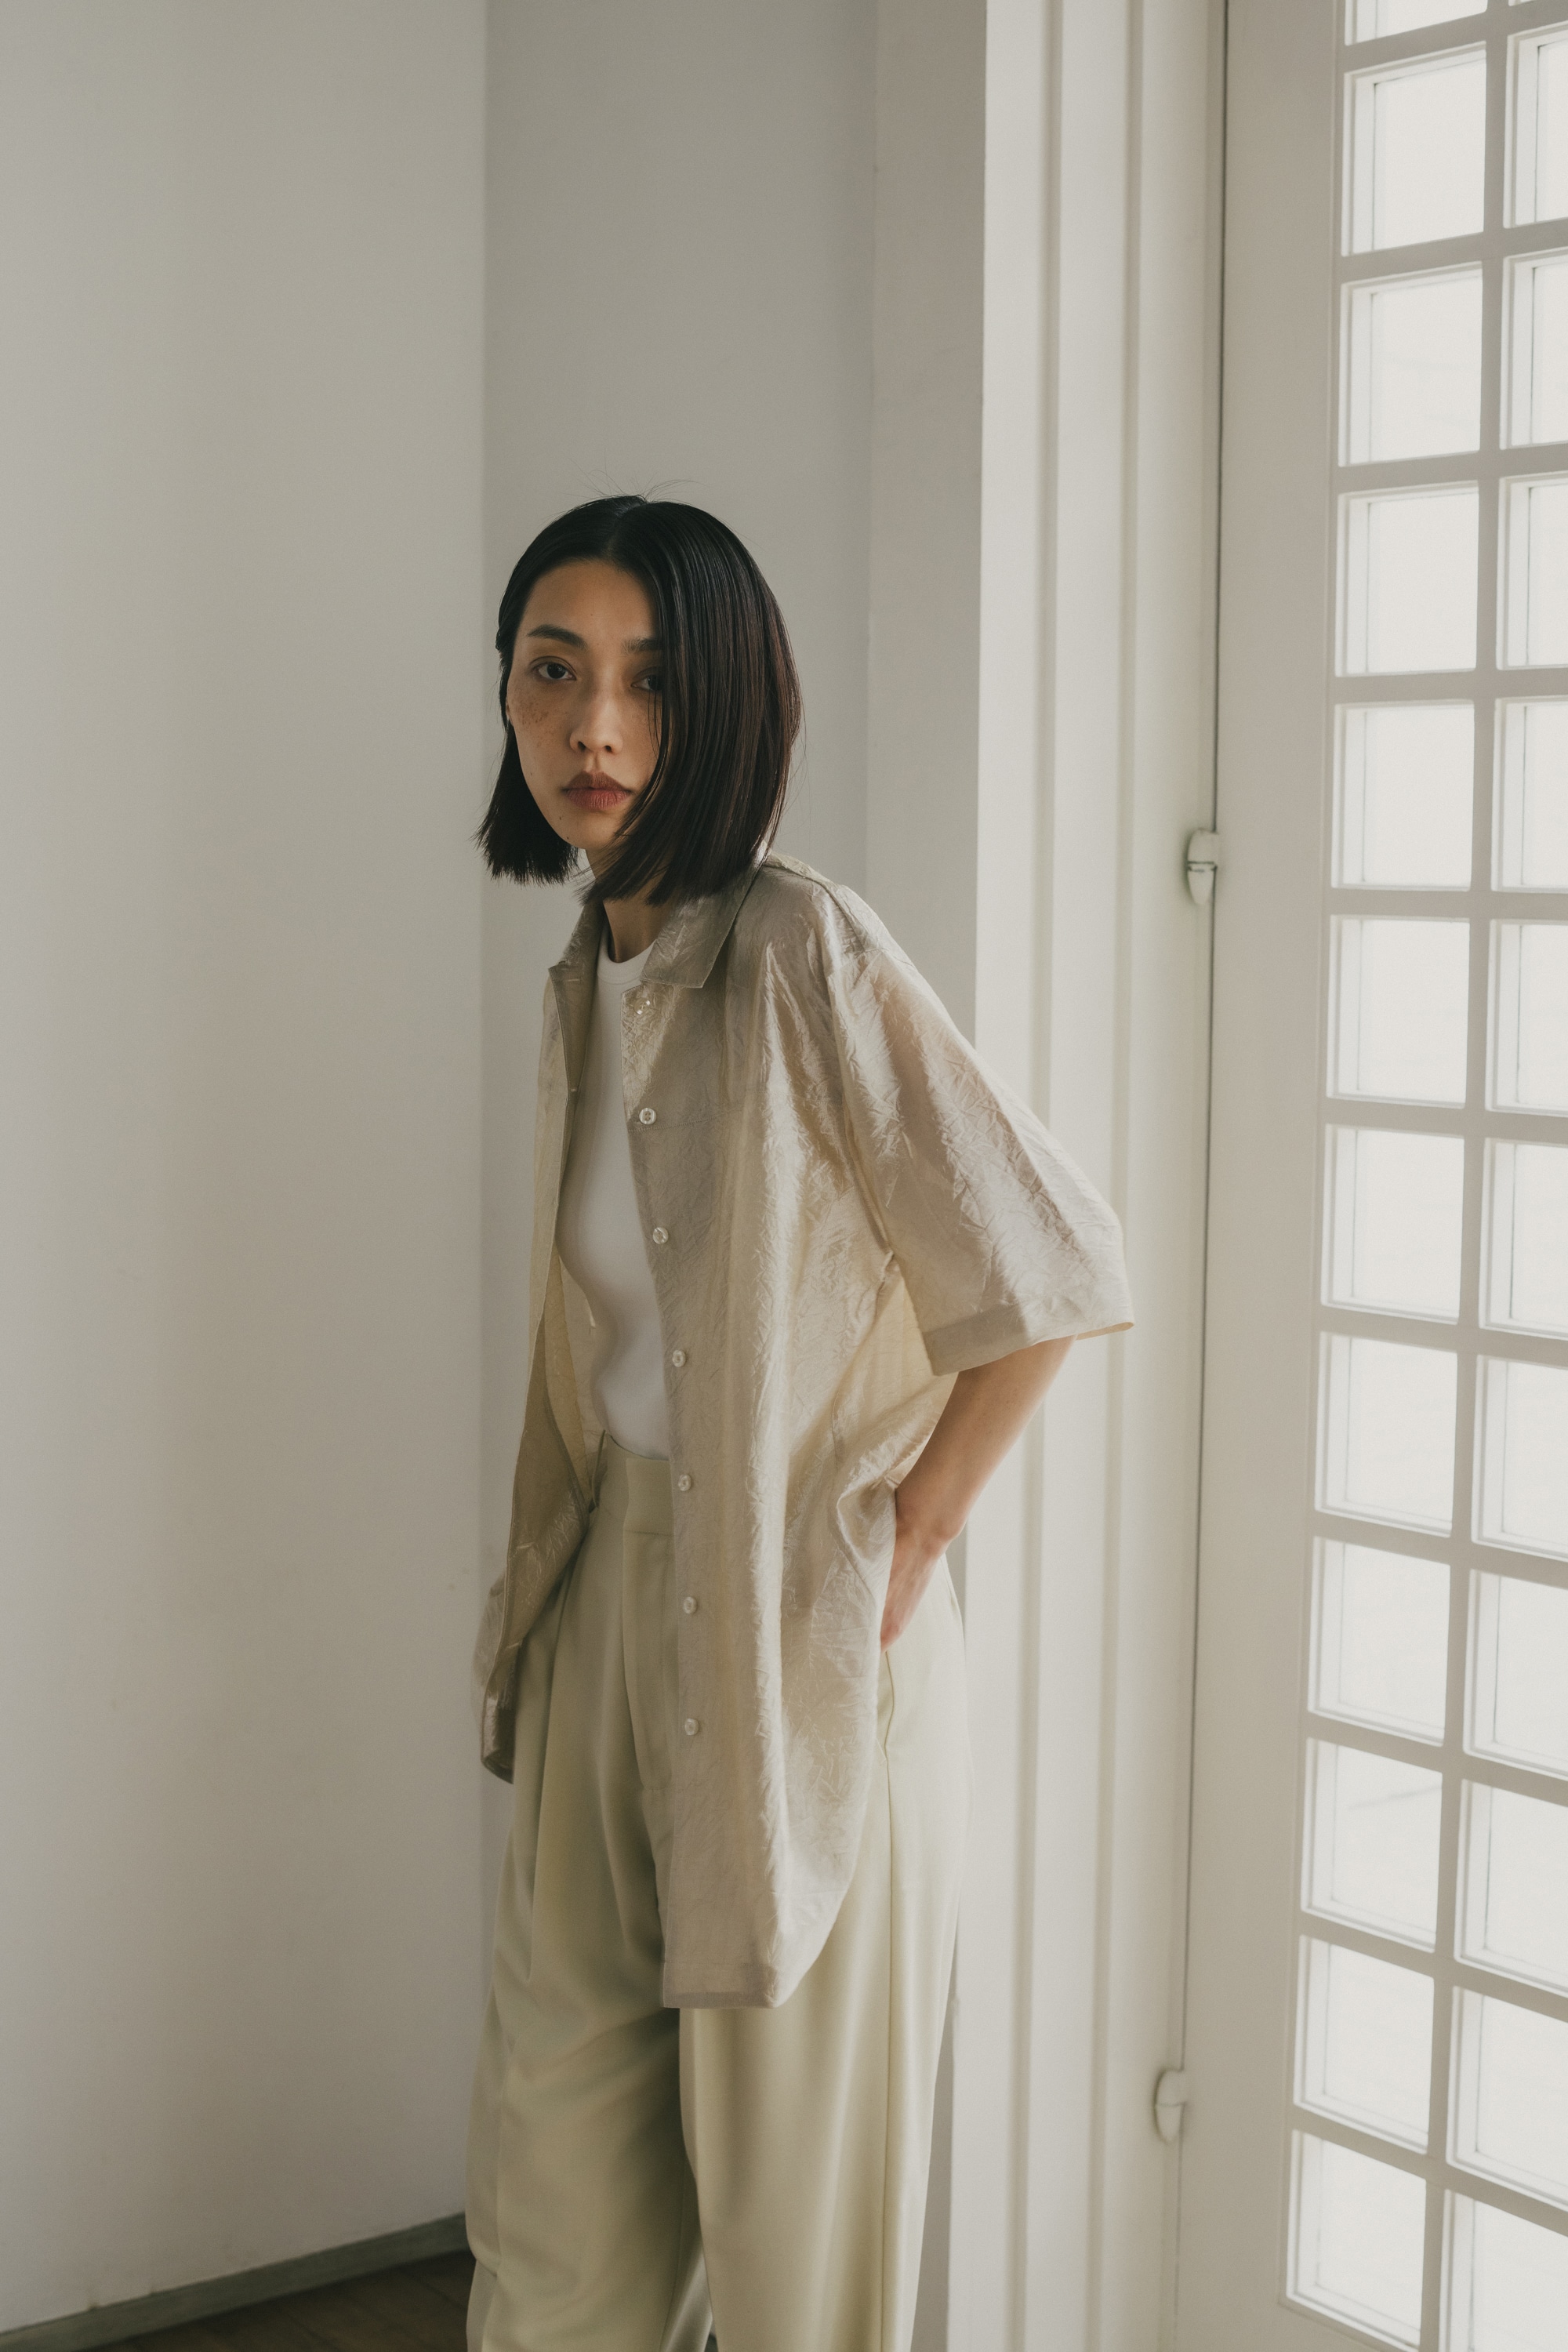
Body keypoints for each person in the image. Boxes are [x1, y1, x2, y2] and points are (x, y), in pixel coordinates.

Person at [464, 495, 1132, 2352]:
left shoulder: (798, 949)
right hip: (602, 1611)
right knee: (549, 2237)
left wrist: (912, 1533)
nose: (596, 727)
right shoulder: (584, 975)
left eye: (651, 683)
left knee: (793, 2270)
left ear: (733, 703)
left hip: (802, 1644)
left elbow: (1054, 1260)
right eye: (554, 672)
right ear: (508, 696)